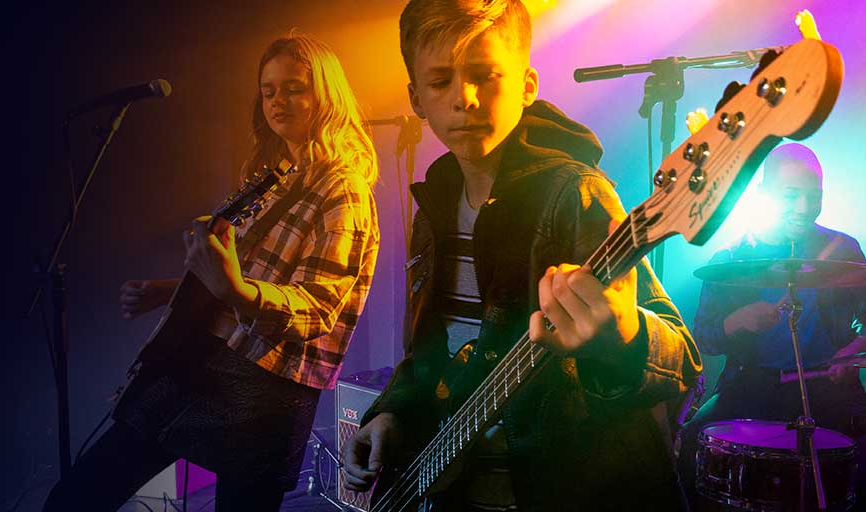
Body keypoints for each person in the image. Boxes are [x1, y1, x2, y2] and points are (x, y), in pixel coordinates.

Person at [340, 1, 701, 510]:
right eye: (440, 81)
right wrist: (389, 413)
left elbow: (683, 357)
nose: (463, 98)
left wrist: (622, 336)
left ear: (527, 86)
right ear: (415, 98)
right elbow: (429, 353)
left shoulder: (575, 193)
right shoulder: (434, 205)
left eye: (484, 76)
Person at [42, 32, 381, 511]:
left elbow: (320, 307)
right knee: (77, 496)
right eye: (268, 91)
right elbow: (250, 273)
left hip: (266, 389)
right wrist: (173, 290)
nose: (278, 101)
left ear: (325, 95)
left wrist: (233, 288)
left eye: (294, 88)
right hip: (206, 363)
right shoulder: (280, 176)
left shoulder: (342, 188)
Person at [678, 142, 866, 506]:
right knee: (690, 444)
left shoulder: (844, 250)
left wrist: (853, 352)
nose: (803, 208)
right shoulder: (732, 259)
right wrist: (739, 320)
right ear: (764, 194)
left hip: (828, 385)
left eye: (813, 196)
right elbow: (704, 338)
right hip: (751, 384)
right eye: (790, 195)